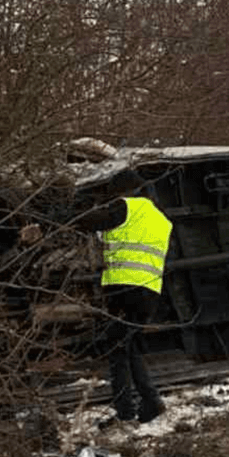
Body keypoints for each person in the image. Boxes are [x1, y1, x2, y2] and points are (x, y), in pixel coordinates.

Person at [75, 171, 174, 425]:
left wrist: (71, 213)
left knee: (117, 350)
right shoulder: (160, 218)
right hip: (149, 292)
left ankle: (125, 413)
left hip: (125, 290)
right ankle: (151, 402)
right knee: (128, 347)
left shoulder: (128, 206)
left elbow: (91, 221)